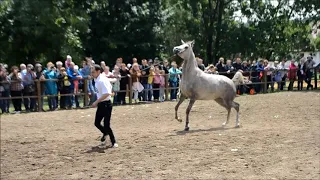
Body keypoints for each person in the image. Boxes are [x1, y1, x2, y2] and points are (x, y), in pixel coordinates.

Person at [91, 64, 118, 148]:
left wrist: (96, 102)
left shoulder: (102, 80)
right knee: (97, 123)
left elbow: (106, 93)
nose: (92, 74)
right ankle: (105, 133)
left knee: (106, 124)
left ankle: (113, 142)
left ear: (98, 71)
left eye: (93, 72)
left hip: (106, 104)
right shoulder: (97, 79)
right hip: (101, 104)